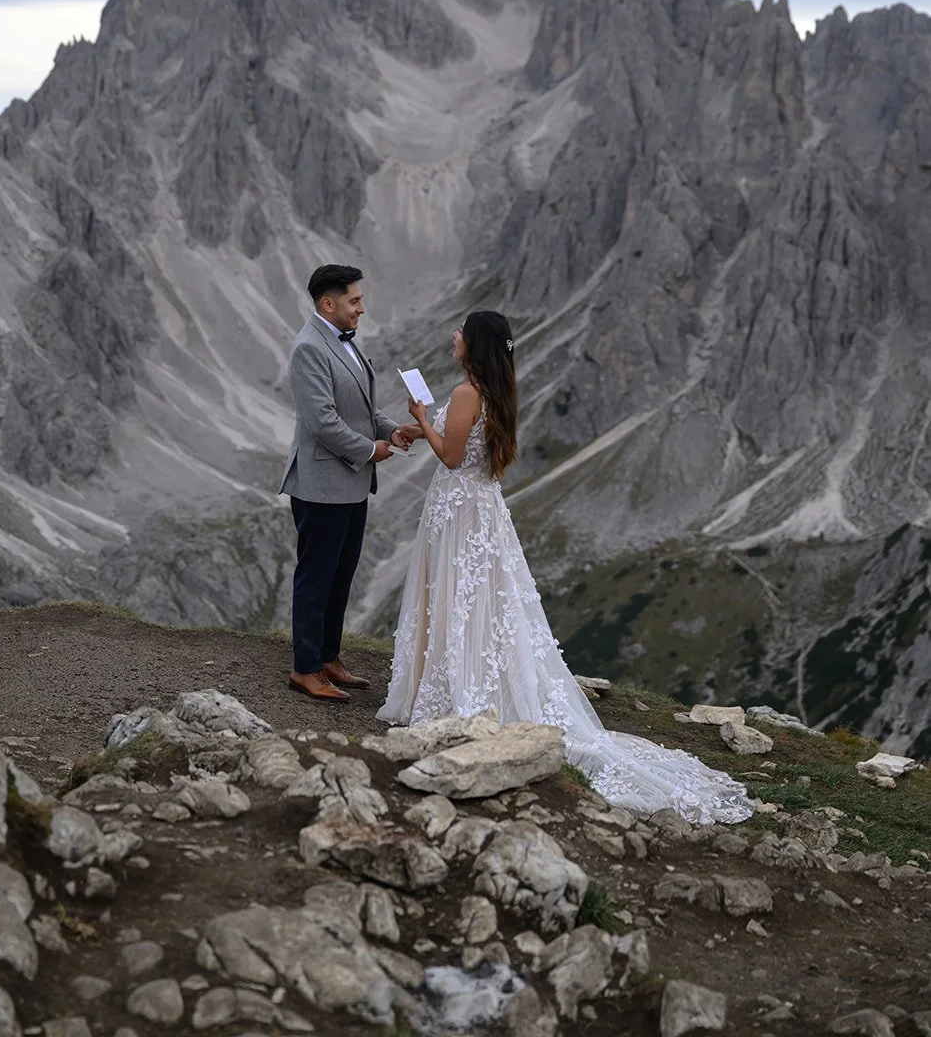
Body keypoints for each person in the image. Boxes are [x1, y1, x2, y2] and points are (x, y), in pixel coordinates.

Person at [378, 309, 754, 824]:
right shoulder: (492, 390)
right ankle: (466, 680)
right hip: (479, 507)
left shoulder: (467, 392)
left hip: (458, 509)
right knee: (476, 599)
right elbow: (465, 441)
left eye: (462, 331)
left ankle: (452, 692)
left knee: (455, 595)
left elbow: (452, 457)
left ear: (475, 343)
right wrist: (421, 428)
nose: (454, 335)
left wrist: (421, 416)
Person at [280, 264, 422, 703]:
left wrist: (390, 429)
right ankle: (305, 669)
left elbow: (359, 409)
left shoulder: (344, 341)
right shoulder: (309, 348)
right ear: (328, 303)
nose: (362, 308)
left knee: (341, 577)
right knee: (316, 578)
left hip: (351, 483)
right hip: (321, 484)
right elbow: (322, 422)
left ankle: (328, 657)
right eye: (354, 300)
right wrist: (369, 450)